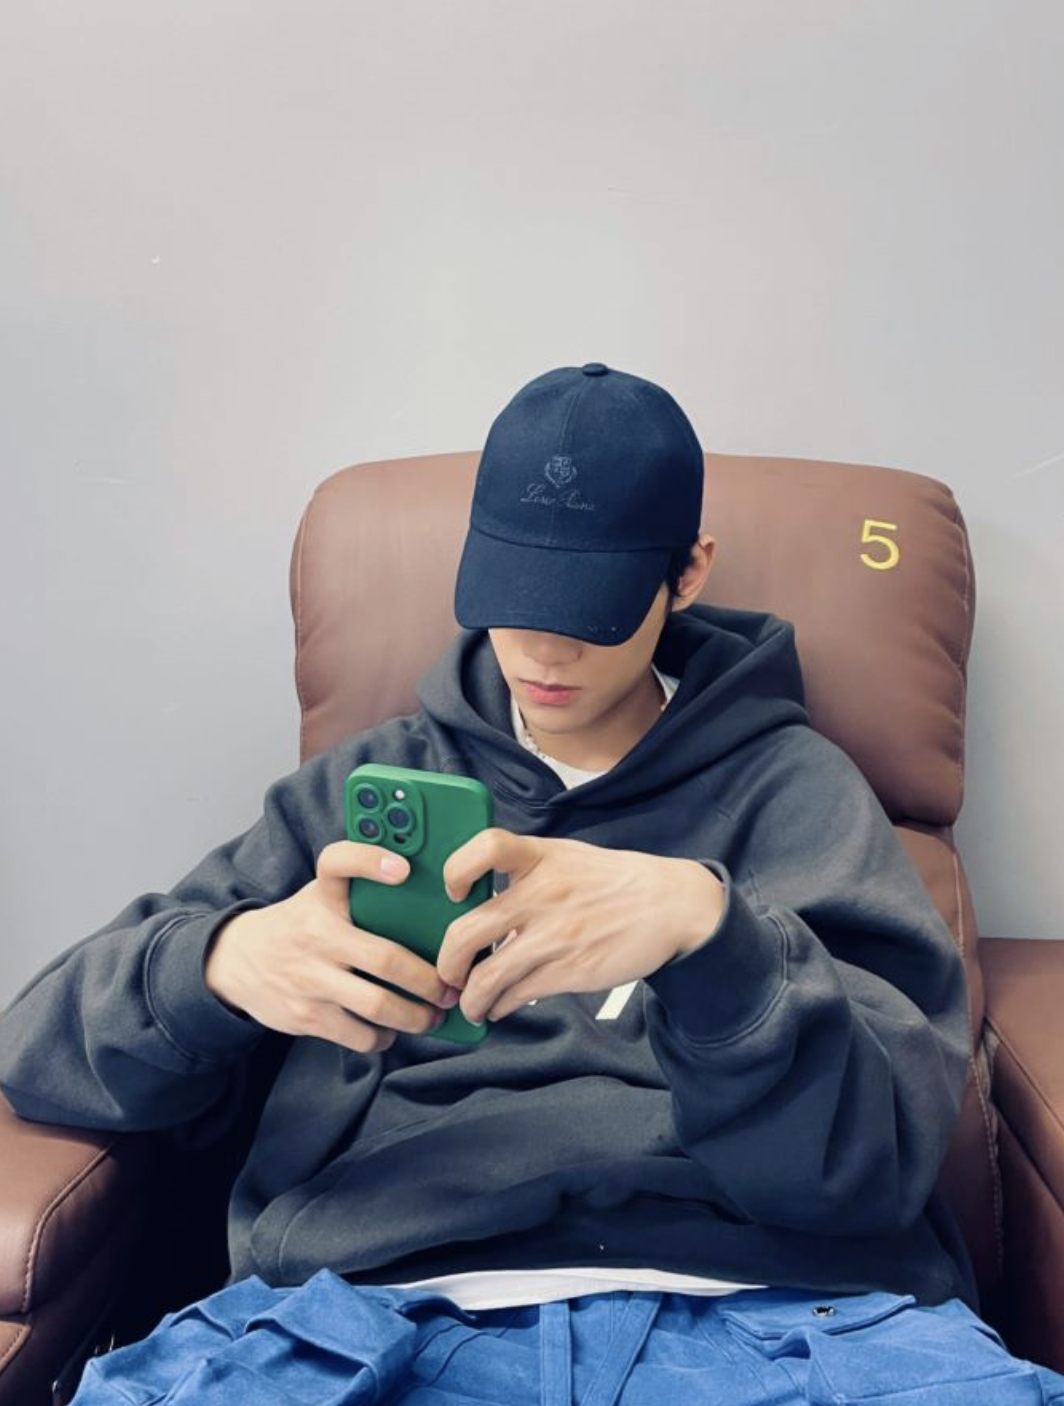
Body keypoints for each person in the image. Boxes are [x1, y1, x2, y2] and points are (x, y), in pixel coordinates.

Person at [1, 362, 1061, 1405]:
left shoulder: (796, 793)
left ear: (687, 572)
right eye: (513, 596)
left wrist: (715, 942)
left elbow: (872, 1168)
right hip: (379, 1308)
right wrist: (216, 966)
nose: (543, 648)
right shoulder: (366, 786)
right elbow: (34, 1055)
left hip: (767, 1310)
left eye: (590, 608)